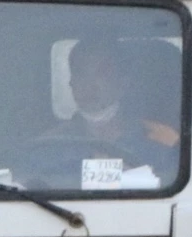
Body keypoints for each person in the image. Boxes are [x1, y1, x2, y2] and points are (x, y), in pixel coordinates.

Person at [58, 36, 181, 185]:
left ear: (123, 83)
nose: (89, 84)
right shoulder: (51, 145)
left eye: (102, 73)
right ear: (71, 83)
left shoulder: (165, 142)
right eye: (81, 73)